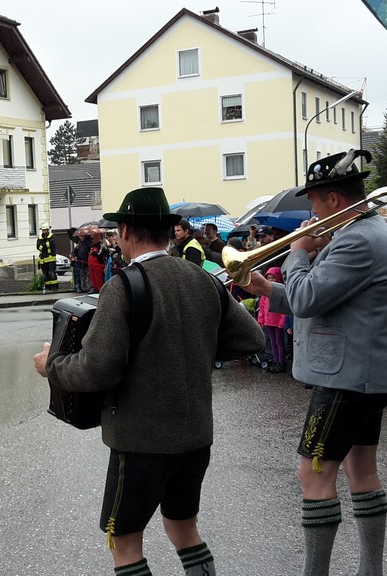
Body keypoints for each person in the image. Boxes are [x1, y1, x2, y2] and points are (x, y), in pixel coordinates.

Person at [34, 187, 264, 576]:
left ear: (125, 230)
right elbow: (252, 339)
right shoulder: (202, 278)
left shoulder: (122, 286)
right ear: (167, 231)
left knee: (123, 541)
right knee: (184, 529)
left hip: (141, 442)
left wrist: (51, 366)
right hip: (195, 437)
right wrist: (191, 355)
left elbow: (97, 369)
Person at [241, 149, 387, 576]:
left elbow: (307, 296)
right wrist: (268, 290)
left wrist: (297, 250)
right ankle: (370, 570)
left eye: (313, 203)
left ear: (332, 199)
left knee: (313, 474)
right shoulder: (373, 232)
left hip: (346, 377)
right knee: (360, 468)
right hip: (365, 373)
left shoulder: (356, 238)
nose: (310, 214)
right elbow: (325, 300)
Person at [257, 266, 287, 373]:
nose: (270, 280)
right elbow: (262, 308)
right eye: (268, 278)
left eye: (272, 278)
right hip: (268, 321)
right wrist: (261, 320)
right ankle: (275, 360)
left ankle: (281, 361)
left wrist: (281, 322)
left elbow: (284, 309)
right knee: (273, 342)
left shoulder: (281, 292)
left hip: (277, 322)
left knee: (279, 342)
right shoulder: (266, 293)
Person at [36, 222, 59, 293]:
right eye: (43, 230)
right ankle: (48, 287)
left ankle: (55, 287)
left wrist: (43, 245)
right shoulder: (40, 238)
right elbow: (38, 247)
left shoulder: (52, 237)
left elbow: (52, 245)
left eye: (45, 230)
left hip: (51, 259)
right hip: (43, 260)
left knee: (52, 273)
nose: (44, 231)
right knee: (45, 274)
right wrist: (45, 244)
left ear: (48, 230)